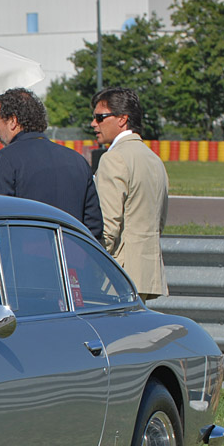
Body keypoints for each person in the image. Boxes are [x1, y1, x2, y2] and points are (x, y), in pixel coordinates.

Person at [0, 88, 102, 241]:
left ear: (13, 121)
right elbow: (94, 227)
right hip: (73, 260)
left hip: (24, 261)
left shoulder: (4, 160)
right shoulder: (77, 160)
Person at [90, 87, 168, 300]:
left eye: (100, 117)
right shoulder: (154, 159)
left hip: (117, 275)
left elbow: (108, 227)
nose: (93, 124)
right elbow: (159, 222)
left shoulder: (113, 159)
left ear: (122, 119)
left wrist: (90, 268)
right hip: (146, 272)